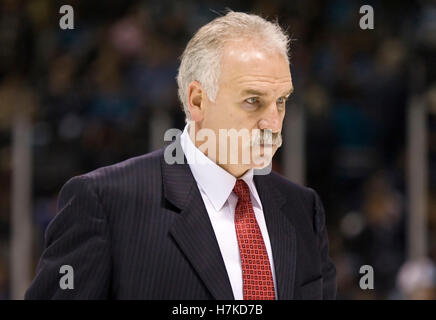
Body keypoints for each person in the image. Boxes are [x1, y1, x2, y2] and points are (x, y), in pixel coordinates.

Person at [25, 11, 336, 300]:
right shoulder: (106, 202)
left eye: (280, 101)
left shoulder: (303, 209)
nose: (273, 122)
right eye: (253, 101)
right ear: (198, 101)